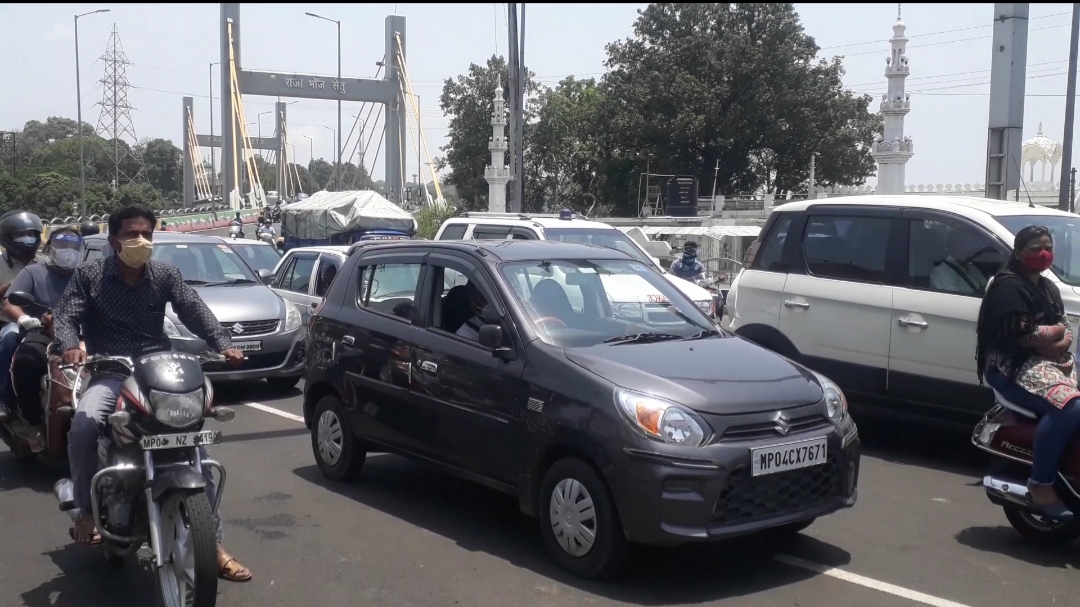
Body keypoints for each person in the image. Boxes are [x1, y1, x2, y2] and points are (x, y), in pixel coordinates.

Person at [53, 204, 253, 581]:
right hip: (111, 372)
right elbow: (66, 316)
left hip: (156, 371)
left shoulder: (164, 274)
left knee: (195, 443)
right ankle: (86, 511)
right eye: (131, 234)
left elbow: (194, 309)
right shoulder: (91, 276)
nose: (140, 240)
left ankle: (214, 543)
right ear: (115, 240)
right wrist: (70, 344)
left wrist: (223, 343)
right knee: (83, 424)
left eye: (146, 232)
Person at [976, 225, 1080, 521]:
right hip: (1012, 366)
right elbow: (1021, 336)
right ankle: (1041, 482)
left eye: (1047, 246)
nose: (1043, 253)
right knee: (1069, 407)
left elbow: (1066, 324)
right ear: (1020, 253)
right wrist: (1057, 333)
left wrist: (1061, 340)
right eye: (1035, 248)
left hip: (1050, 361)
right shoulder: (1007, 287)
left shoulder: (1047, 287)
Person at [2, 226, 84, 436]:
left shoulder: (85, 275)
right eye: (63, 246)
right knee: (26, 361)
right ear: (50, 248)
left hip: (81, 335)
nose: (68, 251)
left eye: (73, 247)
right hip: (42, 333)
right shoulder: (32, 272)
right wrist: (24, 318)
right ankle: (31, 418)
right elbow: (10, 303)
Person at [0, 211, 43, 423]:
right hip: (9, 321)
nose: (27, 238)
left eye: (31, 233)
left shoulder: (43, 263)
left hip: (41, 322)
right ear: (8, 237)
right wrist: (13, 286)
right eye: (20, 234)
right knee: (9, 340)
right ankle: (4, 400)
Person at [930, 228, 989, 295]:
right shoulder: (942, 273)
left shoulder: (972, 268)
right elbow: (956, 302)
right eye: (968, 245)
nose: (974, 249)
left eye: (973, 245)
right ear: (956, 247)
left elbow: (988, 289)